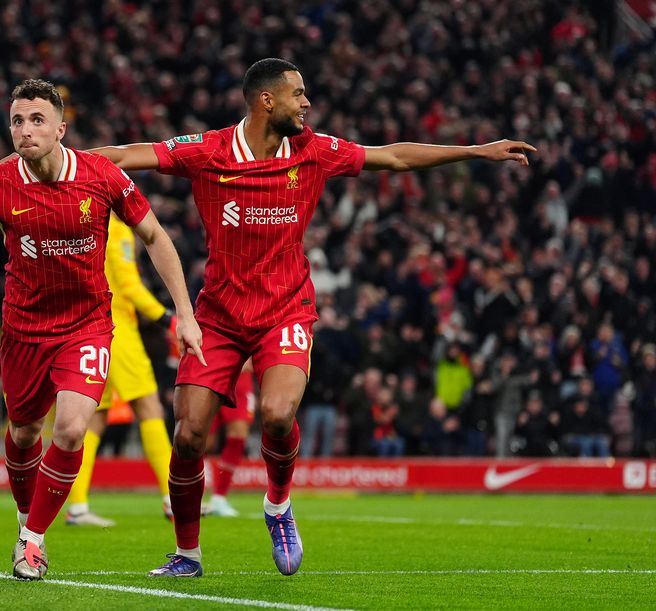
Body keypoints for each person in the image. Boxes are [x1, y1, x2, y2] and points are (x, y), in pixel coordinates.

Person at [91, 57, 535, 577]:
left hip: (285, 310)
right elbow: (124, 155)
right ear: (266, 100)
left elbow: (391, 157)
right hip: (219, 317)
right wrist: (53, 163)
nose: (306, 103)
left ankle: (277, 506)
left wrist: (473, 152)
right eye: (297, 93)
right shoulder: (209, 150)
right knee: (189, 434)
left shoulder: (314, 150)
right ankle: (187, 554)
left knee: (278, 415)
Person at [0, 79, 203, 581]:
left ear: (60, 128)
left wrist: (182, 309)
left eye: (36, 120)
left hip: (88, 326)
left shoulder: (101, 175)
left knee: (72, 429)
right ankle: (25, 518)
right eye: (16, 121)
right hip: (24, 330)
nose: (25, 130)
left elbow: (155, 236)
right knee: (24, 431)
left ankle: (31, 542)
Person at [64, 212, 178, 527]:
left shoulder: (84, 224)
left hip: (89, 328)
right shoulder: (117, 230)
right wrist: (167, 318)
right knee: (149, 407)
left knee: (95, 420)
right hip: (119, 333)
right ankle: (174, 498)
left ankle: (77, 506)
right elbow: (129, 285)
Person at [203, 359, 256, 518]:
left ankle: (219, 498)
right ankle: (184, 494)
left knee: (238, 434)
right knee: (202, 441)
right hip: (210, 375)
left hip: (240, 381)